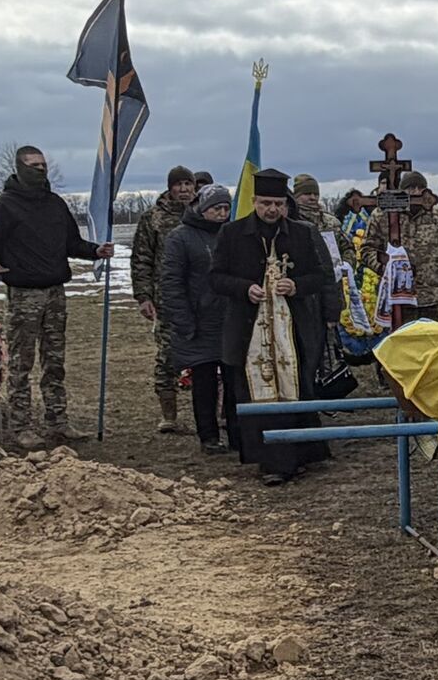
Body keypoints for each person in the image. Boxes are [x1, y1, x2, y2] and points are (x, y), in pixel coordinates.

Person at [0, 145, 114, 441]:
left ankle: (58, 421)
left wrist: (96, 251)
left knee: (54, 361)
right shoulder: (3, 206)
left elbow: (72, 242)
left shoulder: (55, 204)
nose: (40, 170)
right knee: (22, 362)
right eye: (33, 165)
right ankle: (22, 425)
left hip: (56, 292)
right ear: (19, 168)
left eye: (43, 165)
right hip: (24, 295)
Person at [209, 169, 329, 485]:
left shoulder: (301, 234)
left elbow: (319, 276)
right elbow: (216, 277)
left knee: (295, 388)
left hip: (291, 331)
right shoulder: (232, 234)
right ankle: (271, 461)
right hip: (250, 332)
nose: (271, 210)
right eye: (265, 203)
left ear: (285, 204)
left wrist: (296, 285)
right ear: (254, 202)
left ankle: (299, 455)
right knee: (257, 394)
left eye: (277, 203)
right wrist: (244, 288)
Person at [159, 184, 237, 456]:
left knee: (234, 380)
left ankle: (237, 432)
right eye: (217, 208)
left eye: (226, 208)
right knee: (203, 382)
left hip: (229, 319)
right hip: (199, 320)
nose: (222, 213)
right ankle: (209, 436)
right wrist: (183, 320)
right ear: (202, 209)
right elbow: (171, 282)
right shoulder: (180, 238)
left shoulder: (232, 234)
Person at [129, 165, 198, 434]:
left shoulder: (205, 213)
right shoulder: (154, 218)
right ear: (170, 188)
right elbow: (141, 259)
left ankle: (213, 413)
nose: (184, 190)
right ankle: (169, 415)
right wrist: (144, 296)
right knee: (168, 356)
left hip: (202, 299)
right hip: (167, 299)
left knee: (208, 360)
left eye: (188, 184)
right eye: (178, 185)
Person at [361, 170, 438, 325]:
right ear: (401, 191)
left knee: (437, 346)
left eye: (421, 188)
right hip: (398, 299)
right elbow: (367, 249)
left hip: (435, 298)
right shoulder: (383, 215)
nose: (416, 192)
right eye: (411, 188)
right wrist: (385, 267)